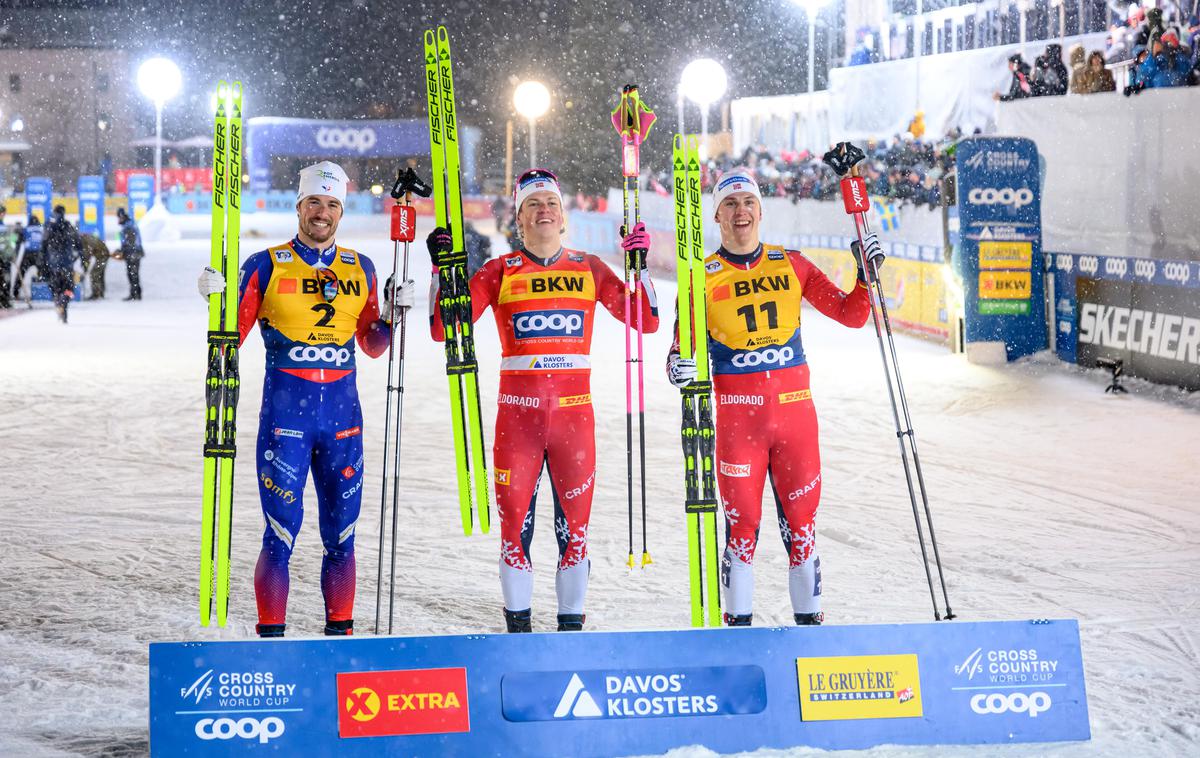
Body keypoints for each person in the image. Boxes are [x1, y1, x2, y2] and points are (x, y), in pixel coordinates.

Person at [426, 167, 659, 633]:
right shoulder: (499, 271)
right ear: (519, 218)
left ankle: (570, 631)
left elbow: (646, 321)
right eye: (533, 204)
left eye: (551, 202)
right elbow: (443, 328)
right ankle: (519, 631)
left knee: (575, 533)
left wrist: (639, 269)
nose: (544, 210)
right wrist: (443, 270)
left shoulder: (588, 267)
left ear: (564, 216)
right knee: (515, 531)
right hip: (518, 423)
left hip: (575, 423)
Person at [665, 169, 883, 627]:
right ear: (717, 215)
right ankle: (738, 635)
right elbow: (680, 350)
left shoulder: (793, 264)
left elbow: (851, 315)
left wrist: (866, 278)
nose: (740, 211)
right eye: (730, 204)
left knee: (803, 531)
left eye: (748, 202)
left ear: (761, 211)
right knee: (741, 534)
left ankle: (810, 632)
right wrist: (677, 368)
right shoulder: (699, 277)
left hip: (796, 423)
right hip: (738, 427)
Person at [196, 161, 402, 638]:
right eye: (314, 202)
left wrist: (393, 313)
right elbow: (232, 335)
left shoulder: (361, 268)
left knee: (343, 540)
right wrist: (214, 299)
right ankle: (272, 646)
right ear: (299, 207)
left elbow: (372, 344)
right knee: (281, 535)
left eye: (332, 204)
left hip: (344, 423)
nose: (322, 213)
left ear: (341, 210)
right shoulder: (265, 264)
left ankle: (340, 642)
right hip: (285, 420)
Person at [43, 205, 81, 323]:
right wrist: (76, 256)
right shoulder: (68, 226)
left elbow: (44, 243)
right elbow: (78, 243)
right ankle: (64, 302)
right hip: (67, 263)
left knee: (55, 287)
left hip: (54, 263)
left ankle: (59, 303)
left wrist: (44, 260)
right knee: (68, 287)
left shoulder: (49, 226)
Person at [114, 207, 144, 300]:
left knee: (132, 274)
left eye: (119, 217)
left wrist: (122, 250)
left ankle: (135, 294)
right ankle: (136, 293)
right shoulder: (129, 224)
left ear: (122, 217)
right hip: (135, 252)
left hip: (133, 253)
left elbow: (130, 242)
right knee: (133, 273)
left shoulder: (128, 227)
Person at [11, 214, 43, 302]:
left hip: (28, 254)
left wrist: (15, 254)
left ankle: (15, 293)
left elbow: (18, 241)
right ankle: (46, 292)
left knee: (21, 273)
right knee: (43, 273)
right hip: (39, 254)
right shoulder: (41, 230)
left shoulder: (26, 229)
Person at [79, 233, 109, 300]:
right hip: (103, 255)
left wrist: (85, 270)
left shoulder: (85, 241)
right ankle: (100, 293)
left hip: (103, 256)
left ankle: (96, 294)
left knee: (94, 274)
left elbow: (87, 256)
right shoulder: (86, 237)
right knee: (100, 274)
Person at [0, 206, 15, 309]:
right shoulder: (4, 227)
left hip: (3, 257)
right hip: (3, 257)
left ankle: (4, 300)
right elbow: (8, 243)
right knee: (5, 279)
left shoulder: (4, 226)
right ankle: (4, 301)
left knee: (4, 280)